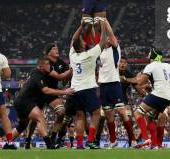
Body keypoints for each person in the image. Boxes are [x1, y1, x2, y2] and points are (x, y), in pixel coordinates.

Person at [12, 57, 74, 149]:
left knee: (22, 125)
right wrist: (65, 92)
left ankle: (7, 142)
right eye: (47, 64)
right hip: (25, 101)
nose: (49, 66)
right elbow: (46, 90)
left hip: (20, 101)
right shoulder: (38, 75)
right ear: (41, 66)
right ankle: (49, 144)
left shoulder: (37, 73)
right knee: (40, 118)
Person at [69, 18, 109, 149]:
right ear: (81, 46)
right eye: (82, 41)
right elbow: (102, 42)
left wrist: (81, 27)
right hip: (87, 89)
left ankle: (79, 144)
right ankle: (91, 141)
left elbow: (72, 41)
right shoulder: (90, 55)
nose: (84, 40)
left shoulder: (73, 56)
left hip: (75, 90)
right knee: (96, 113)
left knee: (80, 117)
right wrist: (103, 26)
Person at [97, 19, 137, 148]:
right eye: (106, 38)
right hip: (103, 86)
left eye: (110, 38)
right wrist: (102, 28)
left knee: (121, 111)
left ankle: (133, 139)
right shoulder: (100, 51)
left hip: (114, 84)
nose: (108, 39)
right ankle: (113, 141)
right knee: (108, 114)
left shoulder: (115, 49)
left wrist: (105, 21)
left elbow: (112, 35)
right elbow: (100, 39)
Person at [25, 43, 72, 149]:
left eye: (57, 48)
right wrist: (70, 72)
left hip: (52, 92)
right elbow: (59, 76)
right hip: (40, 92)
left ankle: (53, 137)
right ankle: (27, 140)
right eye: (54, 48)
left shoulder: (61, 62)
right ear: (48, 52)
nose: (57, 50)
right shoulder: (45, 62)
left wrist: (67, 78)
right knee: (34, 119)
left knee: (61, 113)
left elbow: (67, 75)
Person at [133, 48, 170, 149]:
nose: (148, 53)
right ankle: (155, 144)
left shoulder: (150, 66)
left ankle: (146, 138)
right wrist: (150, 87)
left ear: (153, 55)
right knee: (150, 118)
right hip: (167, 96)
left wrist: (137, 78)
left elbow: (140, 82)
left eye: (150, 52)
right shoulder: (165, 65)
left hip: (158, 94)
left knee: (138, 113)